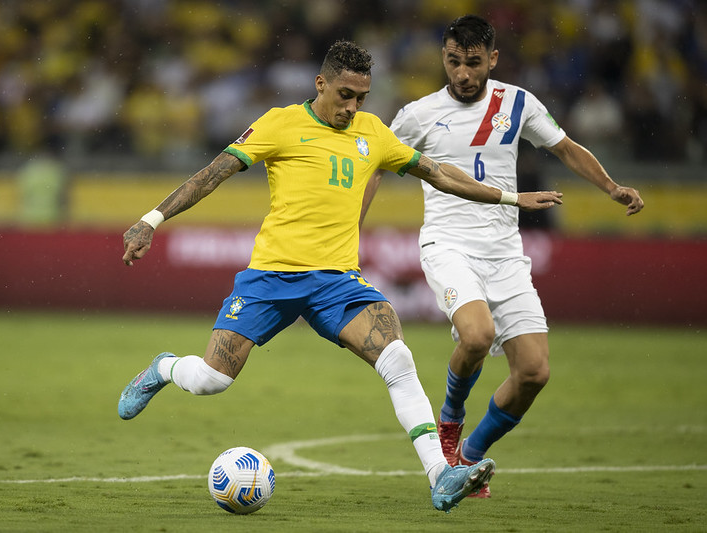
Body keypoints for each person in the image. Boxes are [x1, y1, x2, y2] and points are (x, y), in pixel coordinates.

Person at [118, 40, 562, 512]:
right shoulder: (280, 123)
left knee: (398, 358)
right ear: (321, 84)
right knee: (212, 379)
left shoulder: (373, 133)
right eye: (345, 95)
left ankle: (441, 475)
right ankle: (163, 368)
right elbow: (213, 173)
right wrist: (151, 220)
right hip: (271, 278)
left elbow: (439, 173)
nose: (352, 108)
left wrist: (509, 198)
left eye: (361, 98)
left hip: (337, 283)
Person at [364, 15, 645, 498]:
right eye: (454, 61)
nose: (463, 73)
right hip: (448, 245)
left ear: (492, 59)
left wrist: (611, 187)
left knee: (534, 372)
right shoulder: (417, 114)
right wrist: (352, 226)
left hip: (505, 254)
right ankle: (449, 422)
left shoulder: (518, 103)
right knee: (477, 335)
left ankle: (469, 457)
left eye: (473, 63)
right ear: (444, 57)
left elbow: (565, 148)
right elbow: (375, 167)